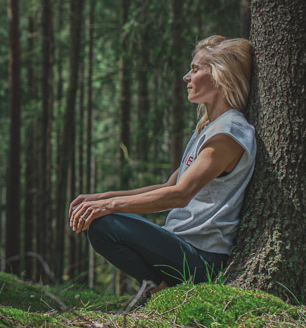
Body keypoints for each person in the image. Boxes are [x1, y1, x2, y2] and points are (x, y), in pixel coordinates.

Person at [69, 35, 255, 303]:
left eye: (194, 70)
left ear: (219, 76)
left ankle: (159, 295)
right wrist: (100, 199)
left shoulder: (229, 132)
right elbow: (168, 187)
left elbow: (179, 195)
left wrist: (110, 207)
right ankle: (161, 293)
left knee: (103, 225)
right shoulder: (207, 128)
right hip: (181, 246)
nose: (185, 77)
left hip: (204, 260)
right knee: (97, 220)